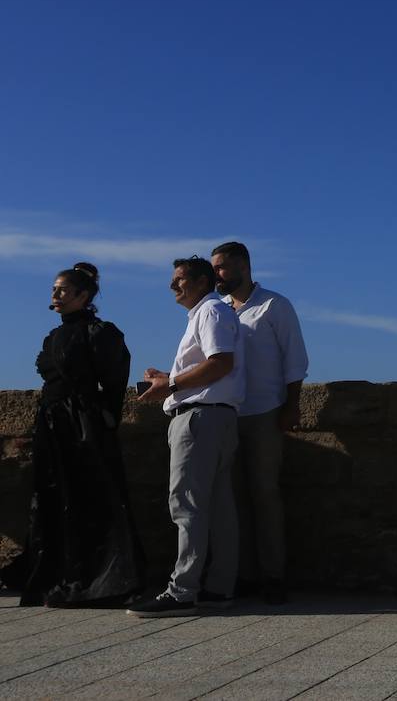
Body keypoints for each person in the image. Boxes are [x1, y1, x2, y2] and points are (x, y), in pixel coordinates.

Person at [0, 263, 145, 607]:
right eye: (55, 289)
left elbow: (113, 382)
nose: (55, 295)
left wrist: (97, 419)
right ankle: (56, 572)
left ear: (84, 296)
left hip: (81, 425)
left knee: (88, 499)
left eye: (63, 290)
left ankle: (97, 580)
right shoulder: (54, 336)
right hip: (52, 424)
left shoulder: (100, 332)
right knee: (51, 497)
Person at [127, 256, 246, 618]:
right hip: (217, 418)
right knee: (219, 508)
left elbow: (221, 362)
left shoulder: (210, 312)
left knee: (187, 505)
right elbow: (215, 364)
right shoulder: (210, 314)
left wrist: (172, 384)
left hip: (199, 419)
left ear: (201, 282)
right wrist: (168, 376)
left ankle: (182, 590)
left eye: (179, 279)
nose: (172, 285)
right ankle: (218, 588)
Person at [210, 241, 309, 605]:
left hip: (266, 411)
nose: (216, 274)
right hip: (227, 413)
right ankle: (242, 574)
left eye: (221, 267)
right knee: (232, 499)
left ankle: (273, 575)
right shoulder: (218, 311)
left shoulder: (274, 306)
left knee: (265, 496)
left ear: (242, 266)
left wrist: (291, 406)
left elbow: (295, 359)